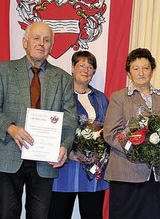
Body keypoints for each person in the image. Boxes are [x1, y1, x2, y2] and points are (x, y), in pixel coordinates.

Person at [0, 21, 77, 219]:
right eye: (36, 38)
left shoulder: (63, 78)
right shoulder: (2, 70)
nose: (41, 43)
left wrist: (65, 147)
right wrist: (11, 128)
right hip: (9, 153)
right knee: (7, 215)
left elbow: (69, 119)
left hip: (45, 160)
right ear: (25, 42)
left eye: (47, 40)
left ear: (51, 46)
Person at [103, 48, 160, 219]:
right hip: (127, 173)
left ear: (152, 70)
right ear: (129, 73)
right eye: (136, 69)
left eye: (145, 68)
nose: (141, 73)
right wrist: (138, 149)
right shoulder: (119, 97)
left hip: (159, 176)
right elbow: (111, 132)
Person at [49, 51, 109, 219]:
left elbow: (107, 130)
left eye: (90, 67)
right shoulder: (59, 94)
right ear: (72, 68)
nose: (86, 70)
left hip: (93, 173)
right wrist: (70, 151)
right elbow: (50, 126)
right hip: (63, 169)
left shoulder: (101, 98)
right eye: (81, 65)